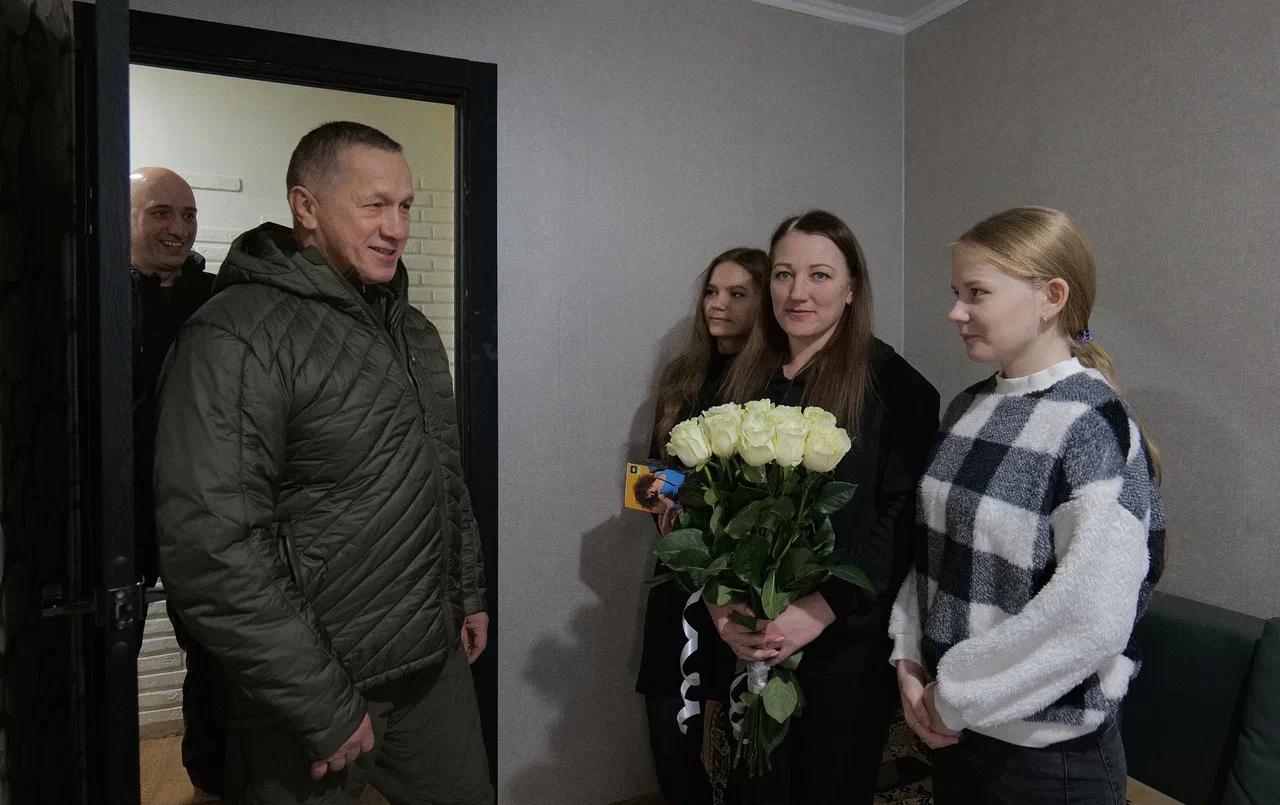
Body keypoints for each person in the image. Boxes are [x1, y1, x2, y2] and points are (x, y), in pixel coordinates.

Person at [153, 121, 492, 805]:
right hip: (313, 685)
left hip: (430, 662)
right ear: (306, 206)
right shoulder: (236, 333)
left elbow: (444, 478)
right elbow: (210, 545)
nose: (396, 227)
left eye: (405, 205)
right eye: (375, 205)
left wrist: (468, 592)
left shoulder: (413, 330)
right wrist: (320, 699)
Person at [889, 206, 1165, 805]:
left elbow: (1091, 617)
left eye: (977, 293)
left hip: (1047, 761)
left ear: (1052, 297)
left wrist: (951, 696)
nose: (955, 312)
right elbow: (933, 554)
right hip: (957, 734)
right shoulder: (967, 407)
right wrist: (908, 659)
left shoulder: (1093, 424)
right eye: (956, 293)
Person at [717, 211, 940, 804]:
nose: (798, 292)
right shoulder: (744, 380)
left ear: (851, 289)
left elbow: (903, 520)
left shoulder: (897, 388)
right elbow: (713, 506)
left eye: (819, 275)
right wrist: (722, 604)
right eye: (783, 274)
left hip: (844, 644)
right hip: (752, 635)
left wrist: (820, 609)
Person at [637, 247, 769, 804]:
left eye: (737, 294)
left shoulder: (778, 382)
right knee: (669, 728)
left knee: (744, 733)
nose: (718, 304)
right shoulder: (683, 376)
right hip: (683, 572)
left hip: (748, 583)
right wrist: (665, 515)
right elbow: (653, 473)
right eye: (712, 292)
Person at [128, 166, 222, 794]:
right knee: (109, 655)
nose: (179, 229)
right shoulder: (94, 297)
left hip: (200, 508)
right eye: (161, 212)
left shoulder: (217, 298)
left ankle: (211, 781)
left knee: (215, 656)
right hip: (121, 512)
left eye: (187, 215)